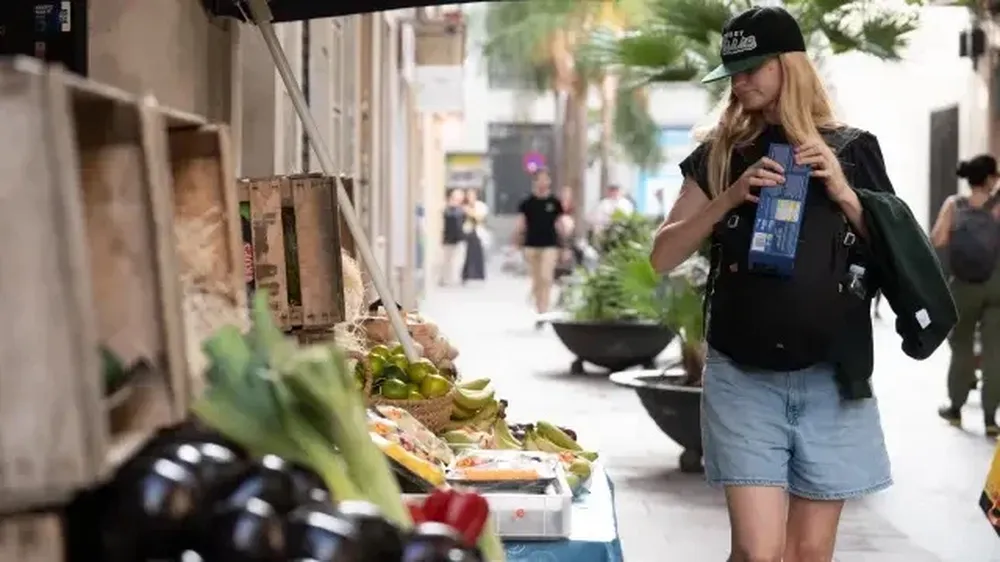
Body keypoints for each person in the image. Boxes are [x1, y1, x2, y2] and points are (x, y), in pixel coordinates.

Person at [650, 7, 894, 561]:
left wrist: (845, 191)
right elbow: (663, 255)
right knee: (759, 553)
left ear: (790, 65)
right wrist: (729, 197)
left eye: (752, 68)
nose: (739, 82)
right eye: (732, 72)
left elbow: (895, 261)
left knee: (810, 552)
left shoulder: (854, 150)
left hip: (834, 377)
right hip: (744, 376)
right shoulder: (718, 153)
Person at [931, 154, 1000, 435]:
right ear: (989, 179)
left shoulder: (954, 205)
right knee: (995, 351)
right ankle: (990, 419)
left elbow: (937, 239)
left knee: (961, 347)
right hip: (997, 285)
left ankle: (956, 408)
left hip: (963, 285)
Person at [515, 168, 565, 328]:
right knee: (536, 280)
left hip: (550, 245)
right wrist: (517, 240)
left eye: (546, 179)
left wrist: (564, 244)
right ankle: (540, 309)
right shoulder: (527, 203)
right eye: (540, 179)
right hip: (531, 245)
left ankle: (544, 310)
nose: (543, 182)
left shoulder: (555, 203)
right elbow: (521, 223)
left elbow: (561, 223)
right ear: (535, 182)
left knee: (546, 277)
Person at [439, 188, 467, 286]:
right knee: (447, 259)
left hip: (459, 237)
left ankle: (455, 278)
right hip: (449, 238)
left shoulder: (461, 209)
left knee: (458, 259)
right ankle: (446, 278)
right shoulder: (448, 209)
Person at [462, 188, 489, 283]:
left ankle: (477, 274)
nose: (470, 198)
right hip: (467, 231)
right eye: (468, 195)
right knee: (467, 254)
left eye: (472, 195)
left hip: (478, 232)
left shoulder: (480, 206)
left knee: (478, 254)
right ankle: (467, 274)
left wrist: (470, 212)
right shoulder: (463, 206)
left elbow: (480, 218)